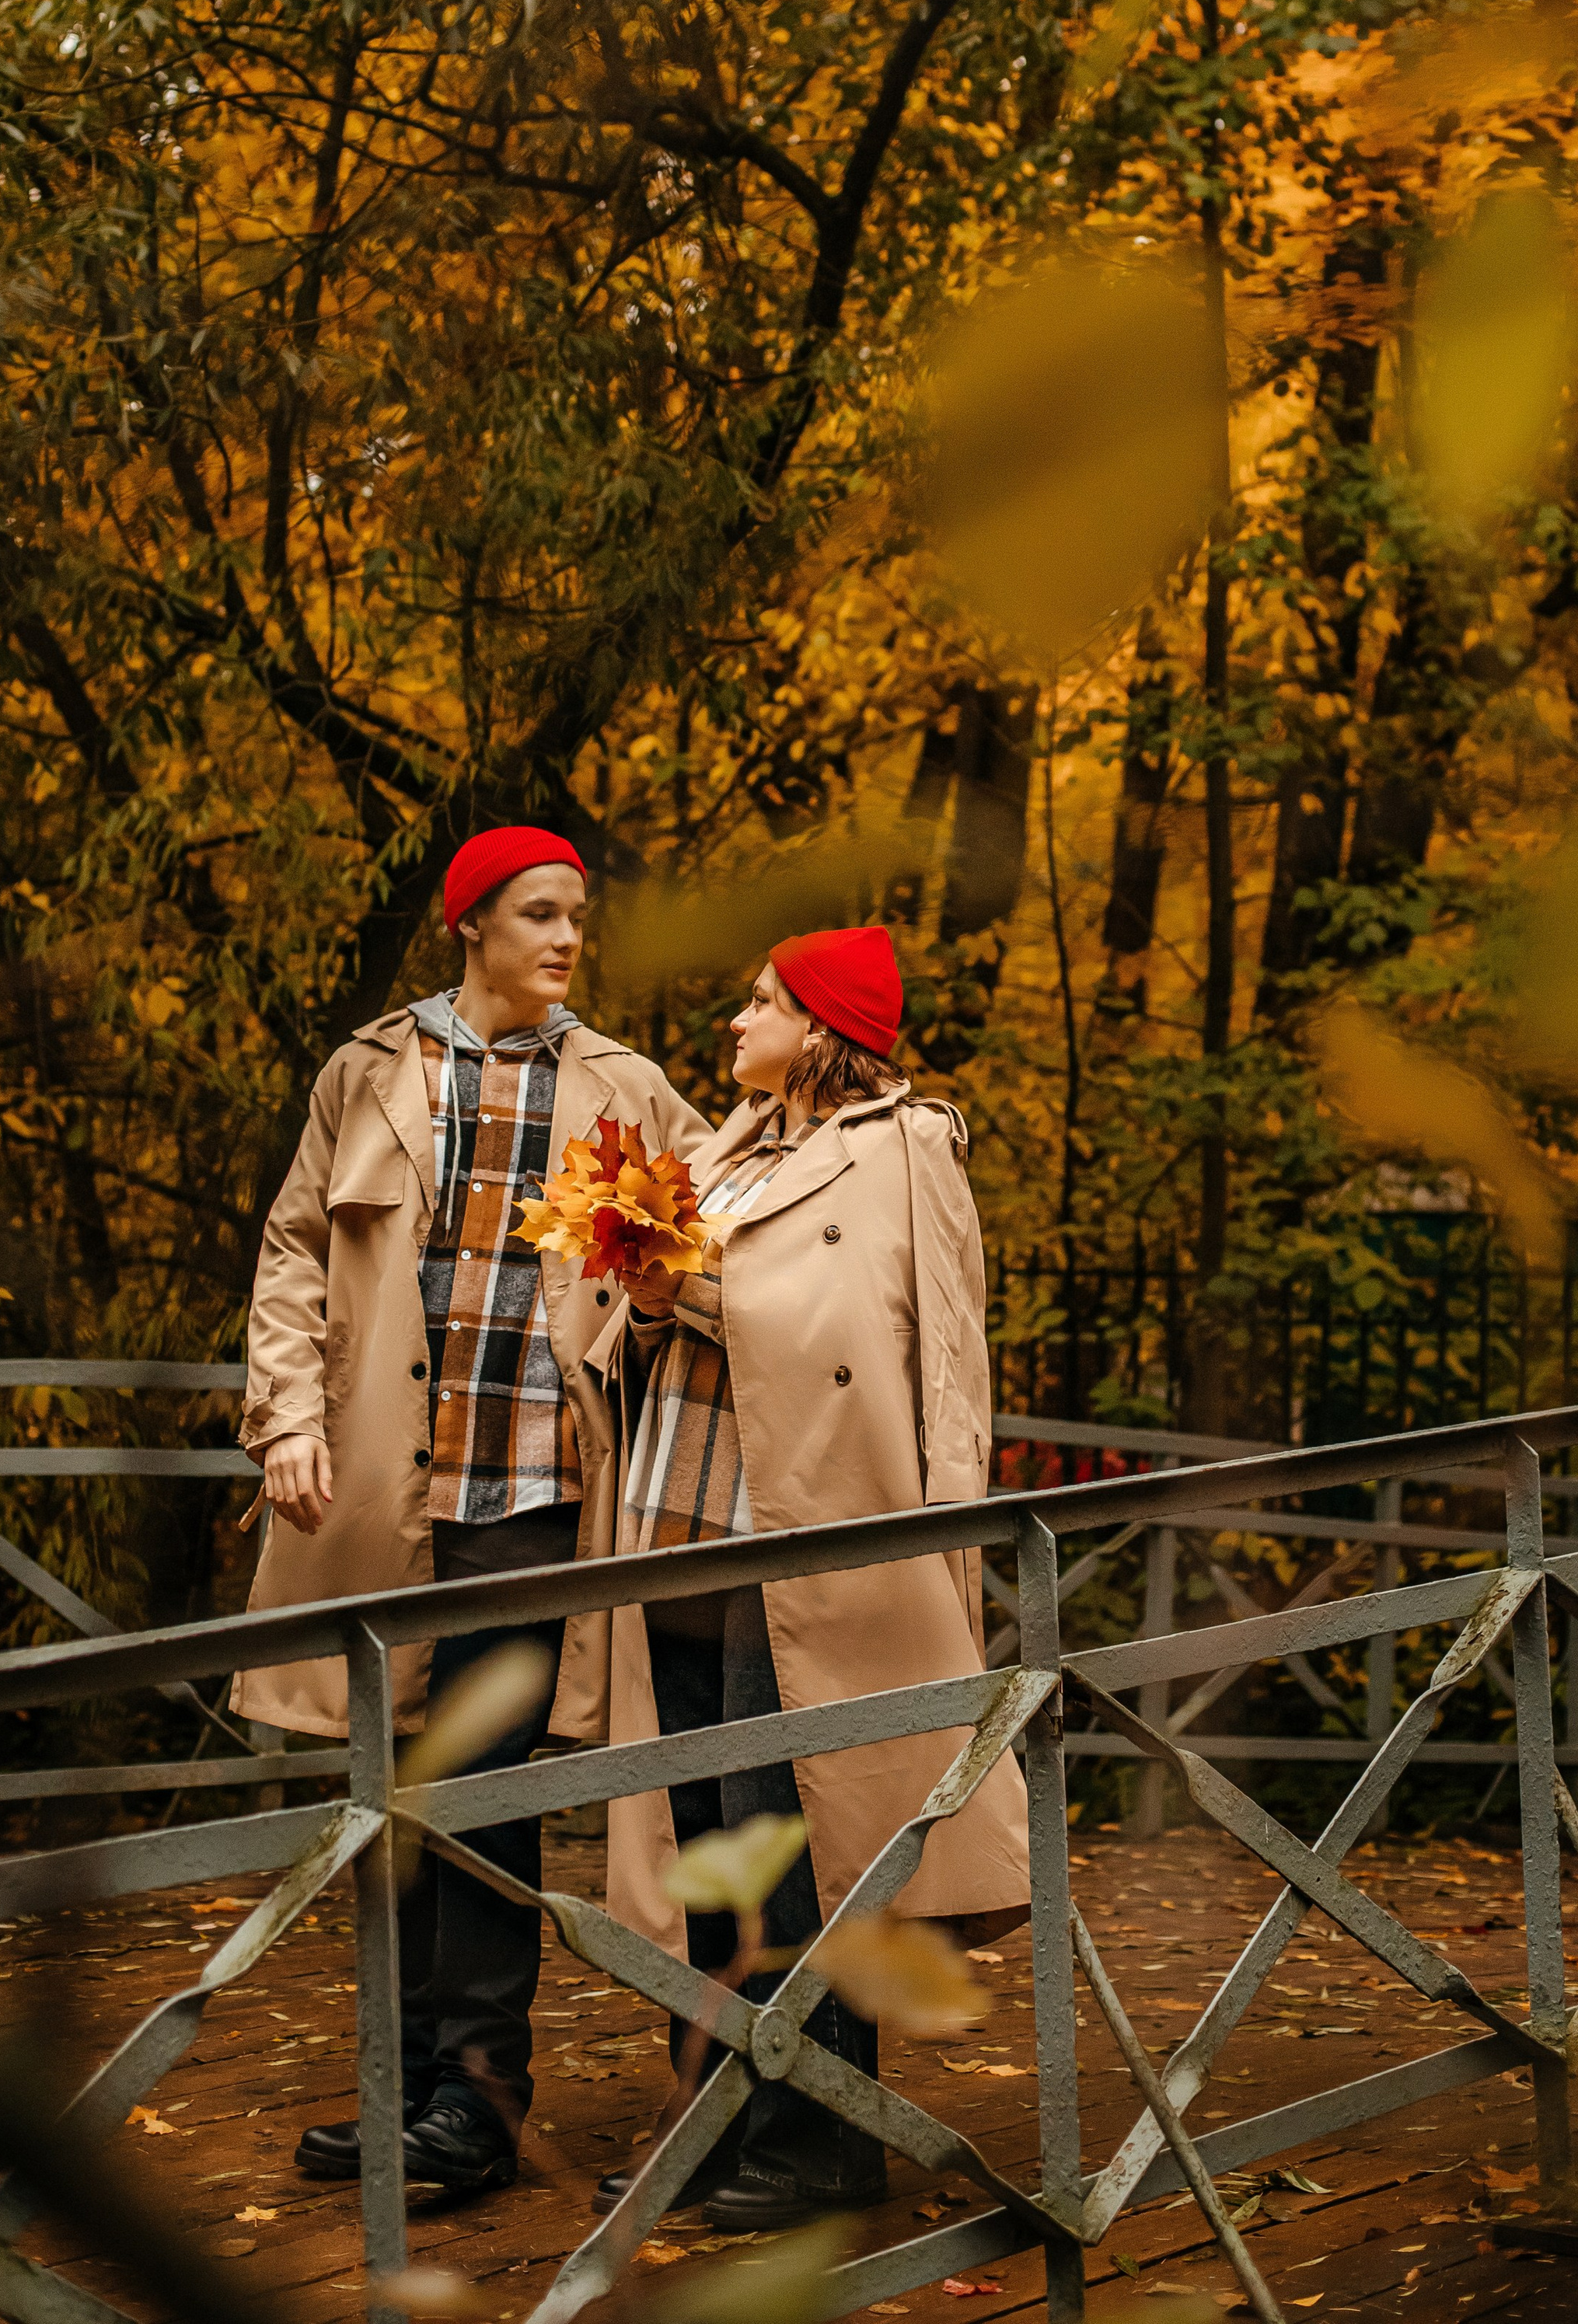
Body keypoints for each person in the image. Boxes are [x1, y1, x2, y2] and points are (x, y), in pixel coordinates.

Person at [232, 825, 707, 2200]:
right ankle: (405, 2091)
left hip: (541, 1491)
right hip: (386, 1490)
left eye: (577, 917)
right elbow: (292, 1254)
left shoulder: (623, 1085)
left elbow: (717, 1221)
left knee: (488, 1800)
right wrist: (289, 1418)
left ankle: (479, 2110)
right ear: (471, 925)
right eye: (540, 915)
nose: (567, 939)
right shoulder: (371, 1074)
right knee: (387, 1799)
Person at [587, 925, 1031, 2232]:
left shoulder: (908, 1150)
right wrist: (650, 1301)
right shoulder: (728, 1144)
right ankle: (717, 2127)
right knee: (710, 1847)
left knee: (799, 1843)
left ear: (824, 1026)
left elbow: (935, 1353)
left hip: (803, 1539)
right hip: (679, 1517)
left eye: (763, 1001)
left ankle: (822, 2143)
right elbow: (650, 1314)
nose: (737, 1019)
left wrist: (947, 1539)